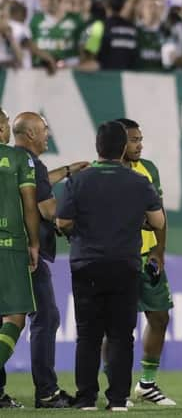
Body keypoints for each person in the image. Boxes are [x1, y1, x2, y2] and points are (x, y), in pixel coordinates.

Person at [56, 121, 164, 411]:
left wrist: (78, 231)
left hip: (86, 264)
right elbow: (158, 221)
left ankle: (87, 398)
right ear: (121, 148)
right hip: (125, 265)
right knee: (121, 335)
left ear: (97, 147)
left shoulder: (78, 181)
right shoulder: (139, 181)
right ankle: (118, 399)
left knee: (88, 334)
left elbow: (62, 222)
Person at [10, 112, 87, 408]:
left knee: (11, 318)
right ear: (30, 134)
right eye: (44, 130)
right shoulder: (31, 164)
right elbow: (48, 209)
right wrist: (76, 207)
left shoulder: (15, 161)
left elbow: (39, 182)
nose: (48, 135)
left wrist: (66, 170)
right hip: (27, 253)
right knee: (46, 317)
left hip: (9, 251)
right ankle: (46, 392)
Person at [103, 118, 175, 406]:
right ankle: (115, 386)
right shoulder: (105, 172)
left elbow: (158, 211)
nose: (139, 145)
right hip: (120, 257)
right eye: (134, 140)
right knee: (117, 326)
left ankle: (146, 384)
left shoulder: (149, 170)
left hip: (148, 257)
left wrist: (160, 249)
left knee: (160, 316)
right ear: (120, 142)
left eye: (140, 139)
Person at [0, 108, 40, 407]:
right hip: (9, 244)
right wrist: (34, 242)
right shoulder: (18, 159)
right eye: (4, 123)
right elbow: (29, 203)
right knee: (14, 317)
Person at [80, 0, 138, 71]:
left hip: (105, 78)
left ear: (106, 4)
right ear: (123, 5)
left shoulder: (98, 27)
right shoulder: (133, 28)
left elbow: (89, 55)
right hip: (129, 78)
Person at [29, 0, 84, 69]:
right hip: (41, 70)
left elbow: (82, 48)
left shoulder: (76, 21)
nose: (40, 1)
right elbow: (31, 47)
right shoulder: (36, 20)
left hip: (69, 70)